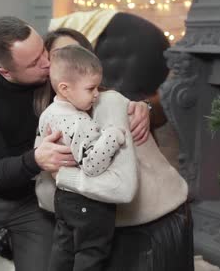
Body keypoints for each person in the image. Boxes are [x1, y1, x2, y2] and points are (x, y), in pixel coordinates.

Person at [0, 17, 150, 271]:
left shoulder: (55, 75)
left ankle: (5, 244)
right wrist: (35, 159)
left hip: (35, 196)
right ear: (6, 72)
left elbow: (96, 90)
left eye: (44, 51)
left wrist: (139, 107)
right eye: (35, 62)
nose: (47, 63)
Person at [36, 29, 193, 270]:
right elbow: (45, 196)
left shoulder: (109, 103)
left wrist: (64, 176)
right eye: (60, 55)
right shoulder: (53, 114)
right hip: (103, 226)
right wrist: (40, 159)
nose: (72, 61)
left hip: (154, 225)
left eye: (80, 54)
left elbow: (121, 189)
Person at [39, 45, 137, 270]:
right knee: (91, 254)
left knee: (63, 249)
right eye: (91, 88)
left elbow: (39, 147)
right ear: (65, 88)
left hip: (62, 199)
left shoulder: (48, 113)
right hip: (89, 203)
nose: (96, 94)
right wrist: (113, 136)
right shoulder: (80, 122)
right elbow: (92, 166)